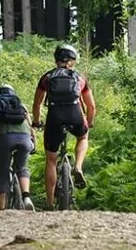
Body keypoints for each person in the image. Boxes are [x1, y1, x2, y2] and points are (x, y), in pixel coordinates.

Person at [31, 44, 96, 209]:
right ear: (73, 61)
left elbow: (37, 104)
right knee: (83, 136)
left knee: (51, 160)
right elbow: (91, 107)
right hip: (74, 113)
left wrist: (37, 122)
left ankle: (49, 203)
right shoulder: (79, 78)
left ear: (56, 59)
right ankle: (78, 166)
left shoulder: (47, 78)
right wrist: (89, 122)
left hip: (54, 116)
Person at [0, 84, 36, 211]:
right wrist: (34, 145)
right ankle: (26, 197)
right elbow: (31, 128)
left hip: (5, 139)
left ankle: (1, 209)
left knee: (1, 172)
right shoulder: (20, 105)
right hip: (25, 139)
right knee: (22, 167)